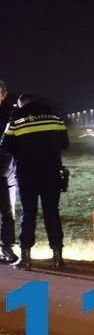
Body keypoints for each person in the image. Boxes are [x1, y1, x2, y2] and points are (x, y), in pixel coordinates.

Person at [0, 93, 69, 270]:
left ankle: (26, 259)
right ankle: (58, 259)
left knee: (28, 213)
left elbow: (5, 146)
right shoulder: (55, 118)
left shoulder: (16, 121)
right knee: (52, 213)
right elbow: (65, 144)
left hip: (27, 174)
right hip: (51, 173)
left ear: (21, 105)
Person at [0, 81, 18, 263]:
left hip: (6, 169)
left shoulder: (11, 114)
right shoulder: (12, 113)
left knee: (7, 211)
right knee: (7, 211)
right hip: (6, 167)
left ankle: (6, 246)